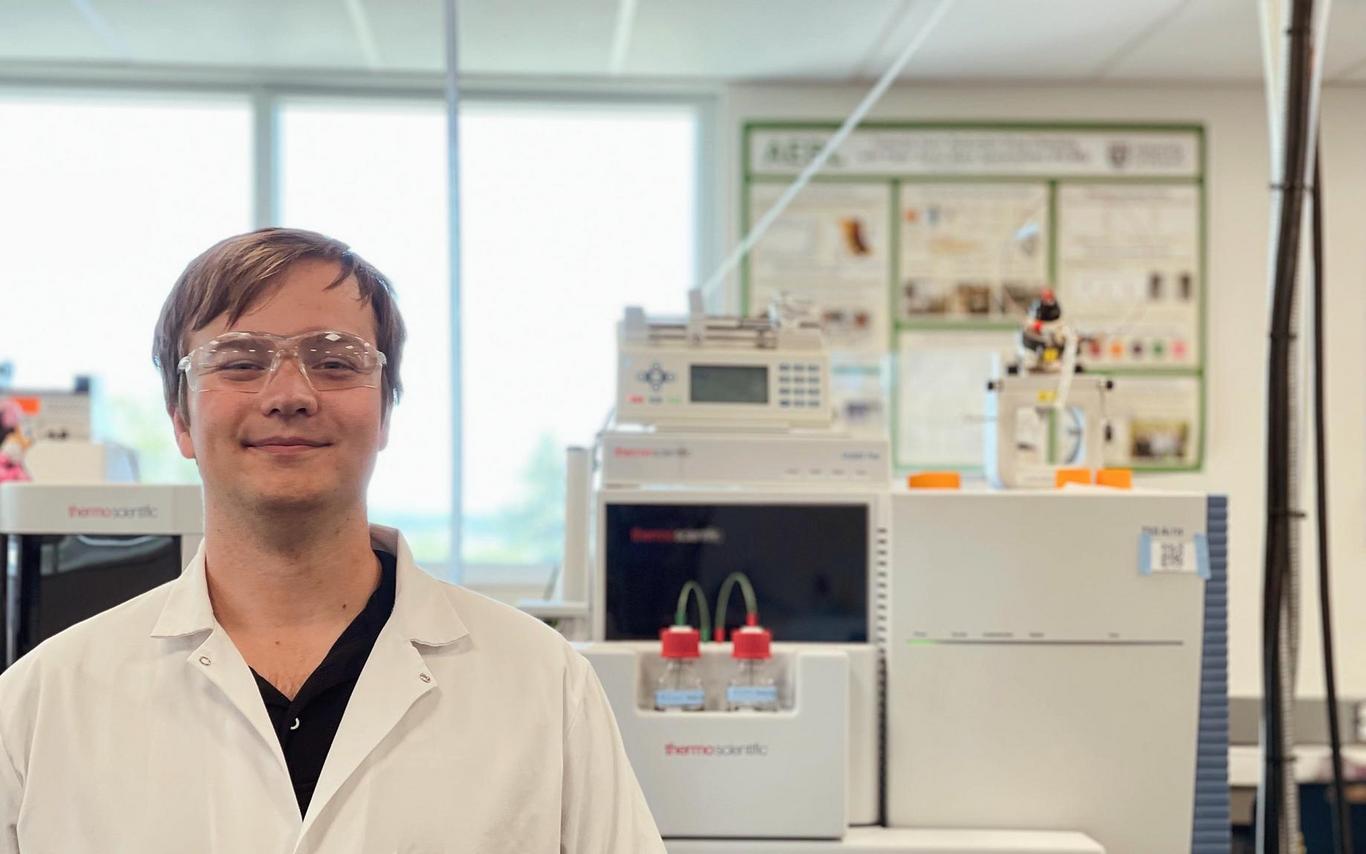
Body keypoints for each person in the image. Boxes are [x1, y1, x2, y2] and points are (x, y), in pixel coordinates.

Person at [0, 227, 665, 853]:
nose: (290, 394)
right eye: (239, 361)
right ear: (179, 416)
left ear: (384, 412)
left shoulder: (543, 684)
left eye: (334, 361)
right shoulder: (41, 704)